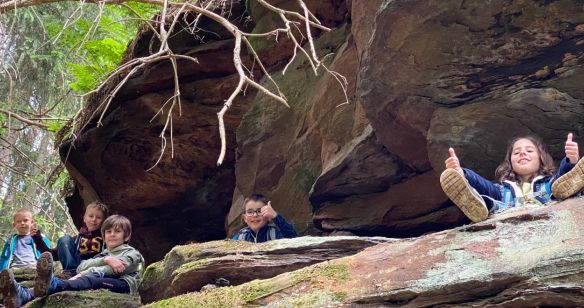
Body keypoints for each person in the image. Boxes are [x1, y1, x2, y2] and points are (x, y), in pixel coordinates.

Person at [0, 215, 145, 308]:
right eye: (108, 232)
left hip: (124, 285)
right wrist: (106, 259)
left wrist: (88, 272)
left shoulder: (132, 253)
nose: (112, 235)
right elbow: (82, 266)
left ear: (126, 236)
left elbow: (115, 270)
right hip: (98, 276)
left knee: (91, 279)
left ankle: (37, 289)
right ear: (104, 235)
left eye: (117, 232)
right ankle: (23, 294)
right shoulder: (104, 254)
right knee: (87, 277)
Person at [440, 133, 584, 223]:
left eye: (529, 150)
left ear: (541, 158)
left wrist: (571, 160)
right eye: (516, 153)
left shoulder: (548, 182)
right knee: (489, 202)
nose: (522, 154)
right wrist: (462, 173)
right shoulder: (502, 189)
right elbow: (482, 183)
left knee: (558, 187)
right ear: (510, 162)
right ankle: (477, 205)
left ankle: (572, 178)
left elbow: (560, 177)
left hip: (547, 204)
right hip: (506, 213)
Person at [31, 201, 108, 277]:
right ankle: (70, 273)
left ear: (104, 221)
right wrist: (37, 238)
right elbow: (53, 255)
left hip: (96, 268)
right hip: (78, 268)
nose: (94, 219)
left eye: (98, 217)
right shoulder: (76, 239)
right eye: (91, 216)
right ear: (84, 218)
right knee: (65, 239)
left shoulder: (107, 237)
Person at [232, 194, 298, 243]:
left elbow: (295, 240)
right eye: (250, 212)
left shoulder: (275, 233)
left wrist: (276, 216)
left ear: (268, 217)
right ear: (245, 218)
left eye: (259, 211)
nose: (255, 215)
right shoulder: (240, 237)